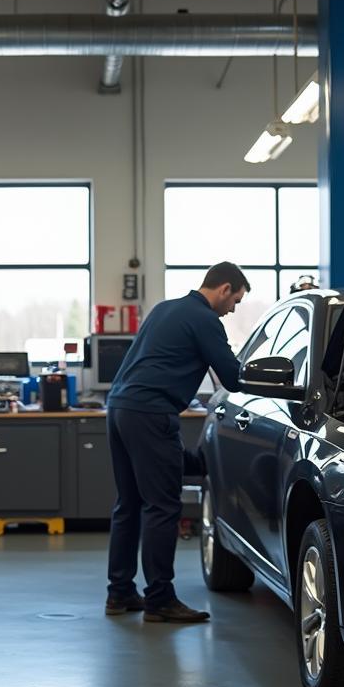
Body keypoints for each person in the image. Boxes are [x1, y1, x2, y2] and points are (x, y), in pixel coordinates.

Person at [104, 261, 249, 623]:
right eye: (236, 301)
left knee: (129, 504)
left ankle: (119, 593)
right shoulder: (204, 319)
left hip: (120, 408)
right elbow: (232, 376)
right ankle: (160, 599)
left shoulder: (165, 308)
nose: (233, 309)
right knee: (162, 507)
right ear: (224, 288)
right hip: (151, 414)